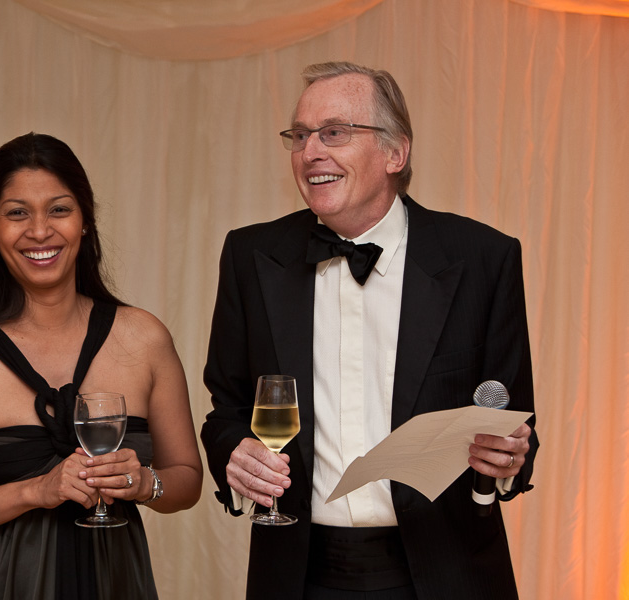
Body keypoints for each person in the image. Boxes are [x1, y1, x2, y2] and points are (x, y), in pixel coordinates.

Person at [201, 61, 538, 599]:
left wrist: (507, 460)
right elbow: (227, 408)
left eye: (333, 132)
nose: (310, 151)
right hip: (296, 571)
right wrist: (233, 453)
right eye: (300, 135)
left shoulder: (482, 258)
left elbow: (513, 421)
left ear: (395, 153)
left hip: (446, 572)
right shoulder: (251, 255)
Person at [0, 132, 203, 600]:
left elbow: (187, 480)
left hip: (116, 583)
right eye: (18, 212)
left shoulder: (145, 338)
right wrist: (35, 491)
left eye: (59, 209)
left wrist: (145, 482)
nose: (40, 231)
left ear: (85, 221)